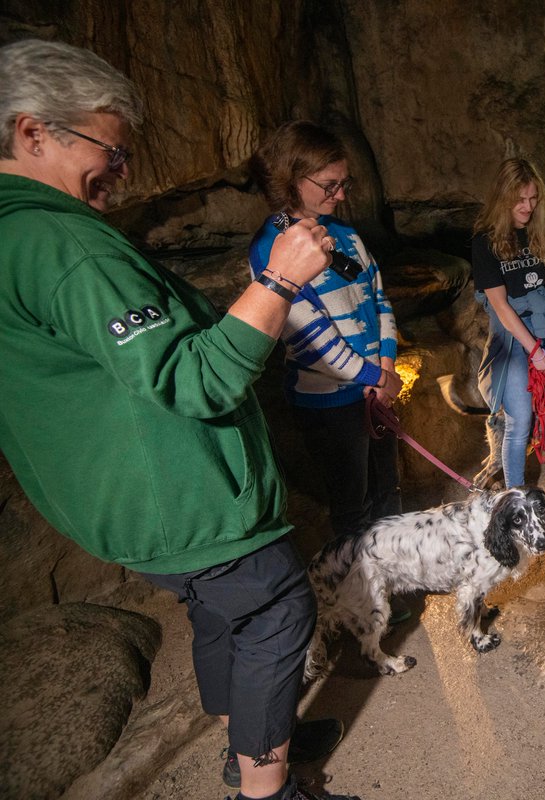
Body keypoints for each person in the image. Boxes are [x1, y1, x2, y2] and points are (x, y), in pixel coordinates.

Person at [0, 40, 361, 800]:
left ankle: (251, 739)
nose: (124, 171)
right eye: (111, 150)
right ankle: (264, 786)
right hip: (174, 494)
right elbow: (193, 377)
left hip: (117, 494)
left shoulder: (18, 235)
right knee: (272, 606)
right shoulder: (59, 243)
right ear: (33, 133)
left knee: (217, 608)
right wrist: (276, 281)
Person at [248, 121, 403, 542]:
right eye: (330, 184)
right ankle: (360, 593)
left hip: (376, 388)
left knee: (387, 489)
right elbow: (309, 338)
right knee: (352, 501)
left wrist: (385, 368)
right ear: (293, 180)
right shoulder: (271, 247)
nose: (341, 194)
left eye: (344, 182)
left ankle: (397, 576)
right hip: (329, 402)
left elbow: (379, 300)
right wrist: (374, 377)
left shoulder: (346, 235)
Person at [472, 157, 545, 488]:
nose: (528, 207)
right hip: (514, 336)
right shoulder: (485, 241)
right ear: (503, 198)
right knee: (519, 421)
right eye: (520, 200)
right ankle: (514, 498)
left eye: (533, 198)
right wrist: (535, 352)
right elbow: (500, 306)